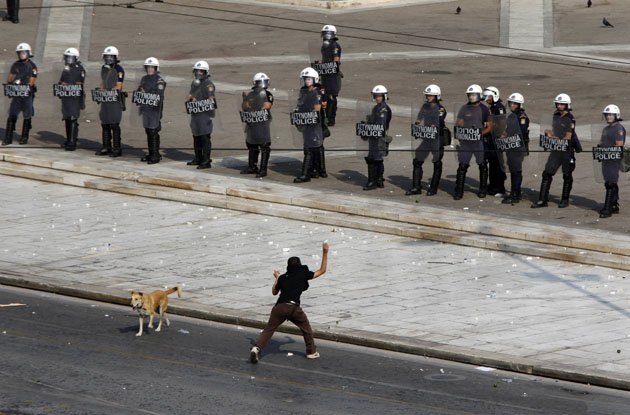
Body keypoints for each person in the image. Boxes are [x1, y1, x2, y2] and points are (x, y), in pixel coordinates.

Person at [250, 242, 329, 364]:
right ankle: (311, 352)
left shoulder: (283, 277)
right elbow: (322, 270)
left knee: (269, 329)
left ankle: (256, 348)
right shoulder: (303, 274)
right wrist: (325, 252)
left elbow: (274, 292)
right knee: (306, 329)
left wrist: (277, 277)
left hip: (279, 307)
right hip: (293, 308)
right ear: (299, 265)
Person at [531, 93, 580, 208]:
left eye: (562, 104)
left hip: (566, 151)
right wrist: (549, 133)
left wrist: (552, 137)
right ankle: (542, 199)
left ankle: (565, 199)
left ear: (567, 105)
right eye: (558, 103)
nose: (559, 106)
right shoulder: (556, 115)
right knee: (547, 173)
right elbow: (555, 131)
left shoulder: (570, 119)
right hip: (556, 150)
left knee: (567, 175)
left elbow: (568, 137)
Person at [452, 84, 492, 200]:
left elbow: (489, 127)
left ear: (479, 95)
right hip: (466, 142)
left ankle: (482, 189)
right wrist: (460, 127)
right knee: (462, 166)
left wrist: (479, 133)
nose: (471, 97)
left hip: (478, 142)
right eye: (469, 95)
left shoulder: (484, 109)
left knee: (482, 165)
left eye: (473, 95)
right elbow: (458, 122)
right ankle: (458, 191)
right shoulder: (464, 108)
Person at [406, 84, 447, 196]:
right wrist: (417, 125)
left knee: (437, 162)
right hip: (427, 137)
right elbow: (419, 118)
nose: (428, 97)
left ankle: (433, 188)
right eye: (427, 95)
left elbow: (438, 120)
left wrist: (433, 125)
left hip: (437, 138)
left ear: (437, 96)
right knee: (417, 160)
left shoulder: (441, 109)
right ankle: (416, 186)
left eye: (431, 96)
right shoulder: (425, 106)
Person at [293, 67, 324, 183]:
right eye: (305, 79)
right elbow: (299, 104)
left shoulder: (316, 92)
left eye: (309, 79)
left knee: (309, 149)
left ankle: (305, 174)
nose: (307, 81)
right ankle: (315, 170)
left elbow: (317, 109)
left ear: (314, 79)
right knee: (312, 147)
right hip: (306, 122)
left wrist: (305, 115)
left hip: (313, 123)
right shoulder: (303, 91)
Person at [240, 72, 274, 178]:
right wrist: (246, 100)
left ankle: (263, 169)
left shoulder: (267, 94)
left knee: (264, 145)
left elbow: (267, 105)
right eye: (260, 82)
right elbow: (245, 106)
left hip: (263, 122)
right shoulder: (251, 94)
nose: (263, 84)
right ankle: (252, 166)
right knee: (252, 144)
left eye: (264, 82)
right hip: (252, 122)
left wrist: (254, 105)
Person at [3, 43, 37, 146]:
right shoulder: (16, 64)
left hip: (27, 93)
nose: (21, 55)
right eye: (20, 53)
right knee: (12, 114)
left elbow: (32, 81)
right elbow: (10, 77)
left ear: (28, 53)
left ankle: (24, 137)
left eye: (23, 53)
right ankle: (8, 138)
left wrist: (21, 82)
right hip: (17, 93)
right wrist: (12, 82)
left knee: (27, 115)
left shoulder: (32, 66)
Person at [499, 92, 529, 204]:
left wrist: (509, 135)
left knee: (516, 170)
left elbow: (521, 132)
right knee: (513, 170)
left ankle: (515, 194)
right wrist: (503, 135)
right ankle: (516, 192)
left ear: (520, 105)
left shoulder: (522, 117)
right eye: (511, 103)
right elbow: (508, 130)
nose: (512, 105)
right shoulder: (512, 116)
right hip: (511, 146)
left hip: (518, 147)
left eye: (515, 103)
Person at [361, 85, 392, 190]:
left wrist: (370, 123)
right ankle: (379, 179)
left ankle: (372, 181)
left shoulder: (384, 109)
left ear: (384, 96)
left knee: (374, 158)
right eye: (376, 96)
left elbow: (381, 124)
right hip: (374, 136)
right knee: (377, 159)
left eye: (379, 96)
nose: (377, 98)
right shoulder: (377, 107)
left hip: (379, 137)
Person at [95, 46, 125, 157]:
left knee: (114, 124)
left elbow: (119, 86)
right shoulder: (104, 68)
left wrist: (109, 90)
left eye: (110, 56)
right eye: (106, 56)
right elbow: (103, 82)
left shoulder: (119, 69)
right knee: (105, 123)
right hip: (105, 99)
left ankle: (117, 148)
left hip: (115, 99)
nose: (108, 59)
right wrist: (101, 89)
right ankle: (106, 147)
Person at [596, 105, 625, 218]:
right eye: (607, 115)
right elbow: (603, 142)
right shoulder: (606, 129)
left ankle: (607, 209)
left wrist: (606, 150)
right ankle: (614, 204)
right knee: (609, 181)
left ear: (616, 115)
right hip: (606, 158)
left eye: (611, 115)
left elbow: (619, 145)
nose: (608, 117)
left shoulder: (618, 128)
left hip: (614, 159)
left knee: (610, 183)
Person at [186, 60, 215, 169]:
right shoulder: (194, 83)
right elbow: (190, 95)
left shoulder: (208, 84)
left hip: (204, 114)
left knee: (204, 137)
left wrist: (197, 101)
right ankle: (198, 158)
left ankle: (206, 160)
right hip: (195, 113)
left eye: (201, 71)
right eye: (197, 71)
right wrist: (190, 98)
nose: (198, 73)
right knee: (196, 136)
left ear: (205, 72)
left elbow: (211, 99)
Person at [136, 57, 166, 164]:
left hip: (154, 109)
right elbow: (140, 90)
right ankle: (152, 153)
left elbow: (159, 95)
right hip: (146, 108)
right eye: (148, 67)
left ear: (156, 68)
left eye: (152, 67)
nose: (150, 69)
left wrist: (146, 94)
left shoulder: (160, 81)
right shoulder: (144, 78)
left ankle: (155, 155)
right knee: (148, 131)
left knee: (153, 131)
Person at [56, 48, 85, 151]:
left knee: (73, 117)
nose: (68, 59)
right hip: (66, 96)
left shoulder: (79, 68)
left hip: (75, 96)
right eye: (67, 57)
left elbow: (79, 83)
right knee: (67, 117)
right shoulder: (66, 68)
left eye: (70, 57)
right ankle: (69, 139)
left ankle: (72, 142)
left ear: (75, 58)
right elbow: (61, 80)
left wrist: (68, 85)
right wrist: (61, 85)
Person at [483, 86, 507, 197]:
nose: (486, 99)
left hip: (496, 141)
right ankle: (493, 185)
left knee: (498, 165)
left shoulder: (499, 108)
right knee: (492, 164)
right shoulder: (493, 107)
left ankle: (500, 188)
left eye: (488, 96)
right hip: (491, 140)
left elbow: (501, 124)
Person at [318, 24, 341, 127]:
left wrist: (332, 66)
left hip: (332, 74)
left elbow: (336, 59)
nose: (326, 36)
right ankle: (325, 117)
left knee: (331, 97)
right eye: (325, 34)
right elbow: (324, 58)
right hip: (325, 73)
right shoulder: (324, 46)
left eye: (328, 34)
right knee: (324, 95)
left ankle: (331, 118)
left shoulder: (334, 45)